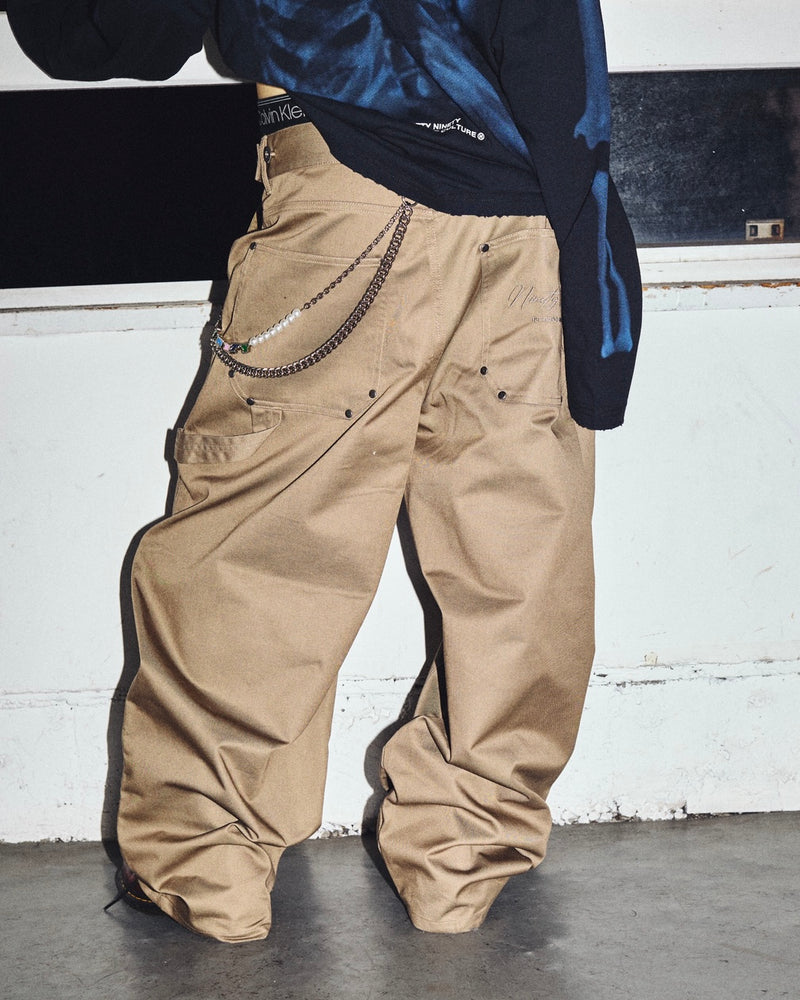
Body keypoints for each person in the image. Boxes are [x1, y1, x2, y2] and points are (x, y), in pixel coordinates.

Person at [8, 0, 641, 942]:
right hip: (531, 210)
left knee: (260, 549)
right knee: (519, 563)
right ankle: (461, 865)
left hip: (354, 177)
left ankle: (208, 870)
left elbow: (125, 31)